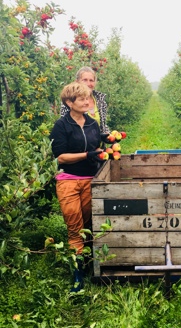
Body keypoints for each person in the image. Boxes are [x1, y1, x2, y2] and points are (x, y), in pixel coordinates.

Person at [50, 82, 104, 292]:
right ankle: (77, 276)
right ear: (69, 102)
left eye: (87, 98)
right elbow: (61, 156)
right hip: (68, 181)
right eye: (81, 99)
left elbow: (96, 147)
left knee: (89, 223)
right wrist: (87, 155)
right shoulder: (61, 126)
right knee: (74, 226)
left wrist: (104, 148)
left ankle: (89, 263)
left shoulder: (92, 124)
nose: (86, 102)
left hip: (91, 178)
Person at [60, 66, 110, 134]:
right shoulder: (71, 100)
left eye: (91, 80)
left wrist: (109, 137)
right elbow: (65, 126)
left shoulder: (100, 99)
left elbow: (103, 125)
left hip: (97, 143)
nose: (88, 84)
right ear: (77, 81)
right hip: (78, 142)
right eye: (85, 80)